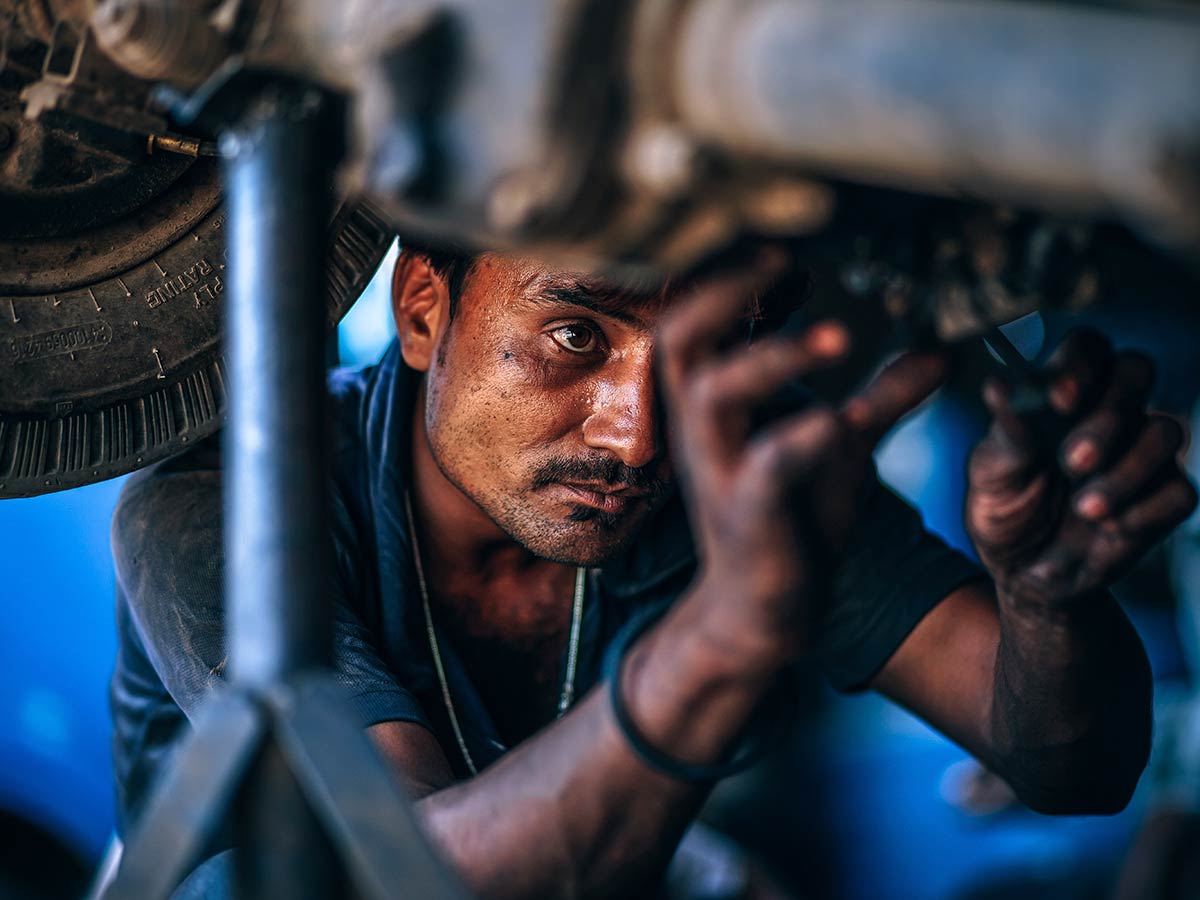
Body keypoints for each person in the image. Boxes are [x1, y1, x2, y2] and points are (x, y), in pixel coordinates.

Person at [110, 247, 1196, 899]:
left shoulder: (736, 472)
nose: (636, 439)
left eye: (697, 357)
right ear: (424, 310)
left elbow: (1073, 768)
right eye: (576, 334)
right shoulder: (220, 511)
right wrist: (721, 634)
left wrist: (1048, 598)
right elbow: (407, 873)